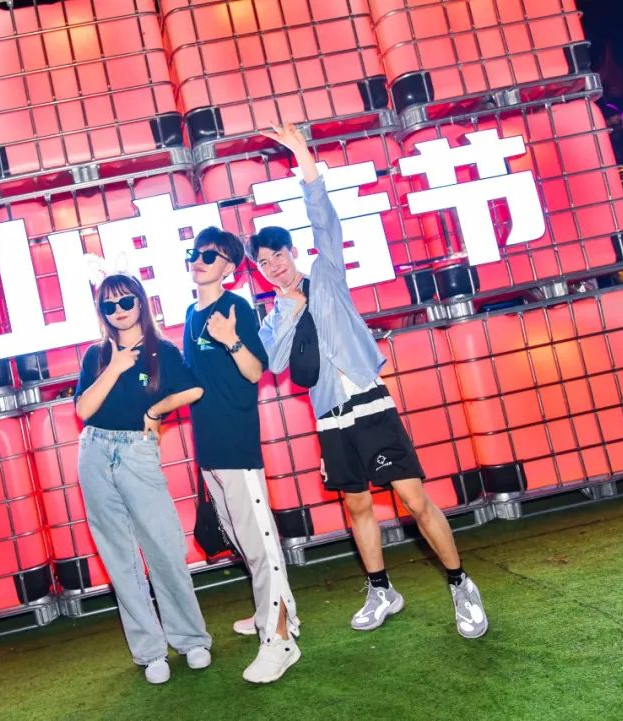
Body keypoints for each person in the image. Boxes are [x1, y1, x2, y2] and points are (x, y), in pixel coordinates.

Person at [251, 123, 488, 640]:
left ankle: (460, 584)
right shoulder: (273, 316)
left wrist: (302, 157)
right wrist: (288, 310)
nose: (273, 267)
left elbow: (325, 220)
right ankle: (382, 589)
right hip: (330, 417)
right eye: (264, 264)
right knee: (356, 503)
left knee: (413, 498)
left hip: (370, 402)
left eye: (278, 256)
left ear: (292, 252)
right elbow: (273, 362)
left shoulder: (326, 276)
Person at [74, 273, 212, 684]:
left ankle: (191, 639)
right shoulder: (96, 355)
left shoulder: (161, 350)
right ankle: (150, 652)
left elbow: (194, 390)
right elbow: (83, 410)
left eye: (125, 301)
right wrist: (115, 367)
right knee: (119, 557)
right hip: (95, 451)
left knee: (164, 547)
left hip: (137, 450)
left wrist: (156, 411)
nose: (118, 311)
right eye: (109, 305)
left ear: (140, 301)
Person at [183, 227, 302, 684]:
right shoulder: (191, 313)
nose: (199, 261)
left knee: (259, 542)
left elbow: (255, 371)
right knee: (239, 536)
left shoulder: (235, 308)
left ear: (229, 268)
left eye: (210, 256)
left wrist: (231, 339)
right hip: (208, 445)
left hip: (236, 441)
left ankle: (280, 641)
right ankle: (274, 612)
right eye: (195, 253)